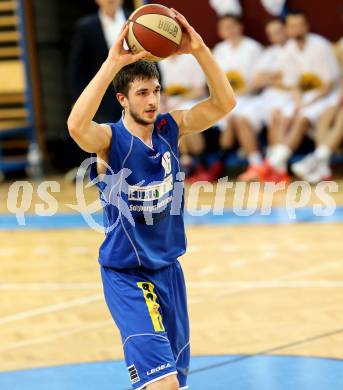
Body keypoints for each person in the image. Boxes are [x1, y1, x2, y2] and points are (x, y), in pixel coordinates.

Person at [67, 9, 235, 390]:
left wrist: (199, 49)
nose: (152, 100)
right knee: (165, 385)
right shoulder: (109, 142)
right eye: (142, 93)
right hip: (128, 275)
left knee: (176, 383)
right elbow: (77, 126)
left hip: (169, 271)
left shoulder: (168, 129)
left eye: (156, 91)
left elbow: (224, 104)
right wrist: (112, 63)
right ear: (123, 99)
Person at [261, 9, 341, 183]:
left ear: (306, 26)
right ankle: (279, 168)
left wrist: (308, 103)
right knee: (284, 115)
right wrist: (299, 102)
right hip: (305, 96)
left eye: (299, 25)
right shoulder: (288, 50)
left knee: (302, 117)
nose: (296, 29)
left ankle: (273, 162)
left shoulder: (320, 46)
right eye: (292, 25)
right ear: (287, 29)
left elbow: (329, 84)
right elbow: (293, 84)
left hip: (326, 95)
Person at [234, 18, 289, 181]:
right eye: (272, 34)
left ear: (286, 30)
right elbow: (257, 80)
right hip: (266, 95)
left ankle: (278, 170)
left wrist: (270, 76)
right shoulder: (268, 54)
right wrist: (277, 76)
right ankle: (256, 165)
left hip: (287, 97)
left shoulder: (294, 50)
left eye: (279, 31)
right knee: (242, 118)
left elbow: (293, 78)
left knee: (275, 116)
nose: (276, 36)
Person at [212, 14, 263, 173]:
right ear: (220, 31)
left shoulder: (253, 48)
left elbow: (258, 82)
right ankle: (219, 164)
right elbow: (214, 81)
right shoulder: (220, 50)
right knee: (227, 118)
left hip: (252, 99)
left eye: (232, 26)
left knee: (238, 119)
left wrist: (237, 93)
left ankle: (256, 165)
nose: (230, 30)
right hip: (227, 99)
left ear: (240, 27)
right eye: (225, 28)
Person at [68, 0, 131, 123]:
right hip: (102, 101)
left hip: (133, 94)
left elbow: (148, 57)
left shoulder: (135, 20)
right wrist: (78, 100)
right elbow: (77, 69)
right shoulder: (86, 27)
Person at [159, 54, 207, 180]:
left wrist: (179, 100)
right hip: (169, 103)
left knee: (181, 115)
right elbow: (160, 91)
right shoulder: (160, 61)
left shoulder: (191, 59)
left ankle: (193, 160)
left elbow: (200, 91)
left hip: (192, 100)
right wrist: (163, 103)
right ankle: (184, 160)